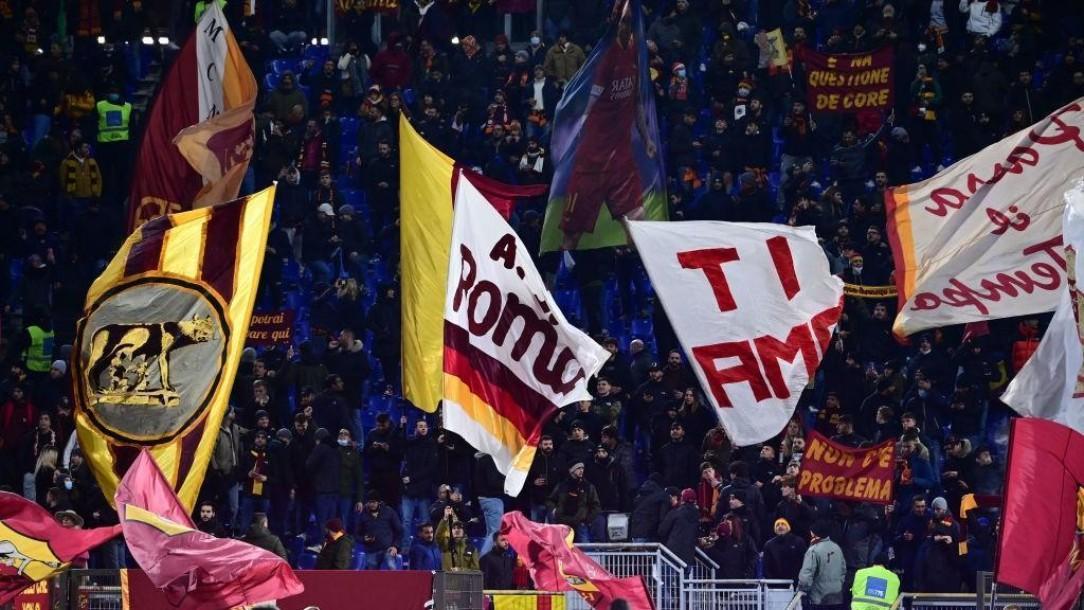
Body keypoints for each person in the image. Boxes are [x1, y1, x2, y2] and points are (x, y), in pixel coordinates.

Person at [557, 5, 657, 250]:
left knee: (638, 220)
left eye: (632, 23)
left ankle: (643, 280)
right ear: (616, 25)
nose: (628, 27)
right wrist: (577, 132)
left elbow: (636, 103)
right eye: (624, 22)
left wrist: (646, 139)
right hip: (593, 158)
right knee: (572, 235)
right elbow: (590, 103)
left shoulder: (636, 55)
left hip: (620, 158)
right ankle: (556, 281)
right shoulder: (607, 57)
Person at [798, 521, 847, 610]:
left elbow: (807, 574)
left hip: (819, 597)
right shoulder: (836, 548)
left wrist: (802, 588)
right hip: (836, 597)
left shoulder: (813, 549)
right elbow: (843, 570)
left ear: (816, 533)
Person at [549, 462, 601, 542]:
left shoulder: (588, 486)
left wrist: (587, 520)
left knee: (585, 550)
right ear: (571, 470)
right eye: (578, 468)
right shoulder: (562, 485)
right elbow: (550, 500)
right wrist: (554, 511)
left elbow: (596, 506)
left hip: (580, 524)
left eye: (582, 468)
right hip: (563, 523)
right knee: (563, 549)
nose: (581, 470)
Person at [357, 491, 403, 570]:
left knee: (391, 567)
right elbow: (356, 534)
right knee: (372, 575)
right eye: (370, 502)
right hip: (371, 550)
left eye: (374, 502)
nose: (372, 504)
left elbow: (399, 530)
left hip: (388, 549)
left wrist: (395, 546)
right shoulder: (363, 515)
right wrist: (364, 539)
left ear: (379, 502)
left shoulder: (389, 512)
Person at [658, 488, 700, 566]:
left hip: (672, 553)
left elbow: (662, 531)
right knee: (685, 577)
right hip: (688, 555)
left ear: (682, 499)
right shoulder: (697, 515)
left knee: (668, 577)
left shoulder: (675, 512)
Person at [762, 518, 808, 583]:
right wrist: (772, 582)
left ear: (788, 527)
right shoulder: (769, 545)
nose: (780, 526)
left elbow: (805, 561)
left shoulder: (798, 542)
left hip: (795, 583)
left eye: (783, 524)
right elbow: (766, 566)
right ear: (775, 529)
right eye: (777, 525)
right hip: (775, 584)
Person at [436, 505, 480, 571]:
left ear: (464, 532)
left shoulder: (472, 549)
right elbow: (438, 536)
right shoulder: (445, 545)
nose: (456, 530)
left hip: (464, 581)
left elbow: (476, 570)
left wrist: (460, 570)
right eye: (454, 528)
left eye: (459, 528)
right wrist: (445, 518)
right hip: (447, 580)